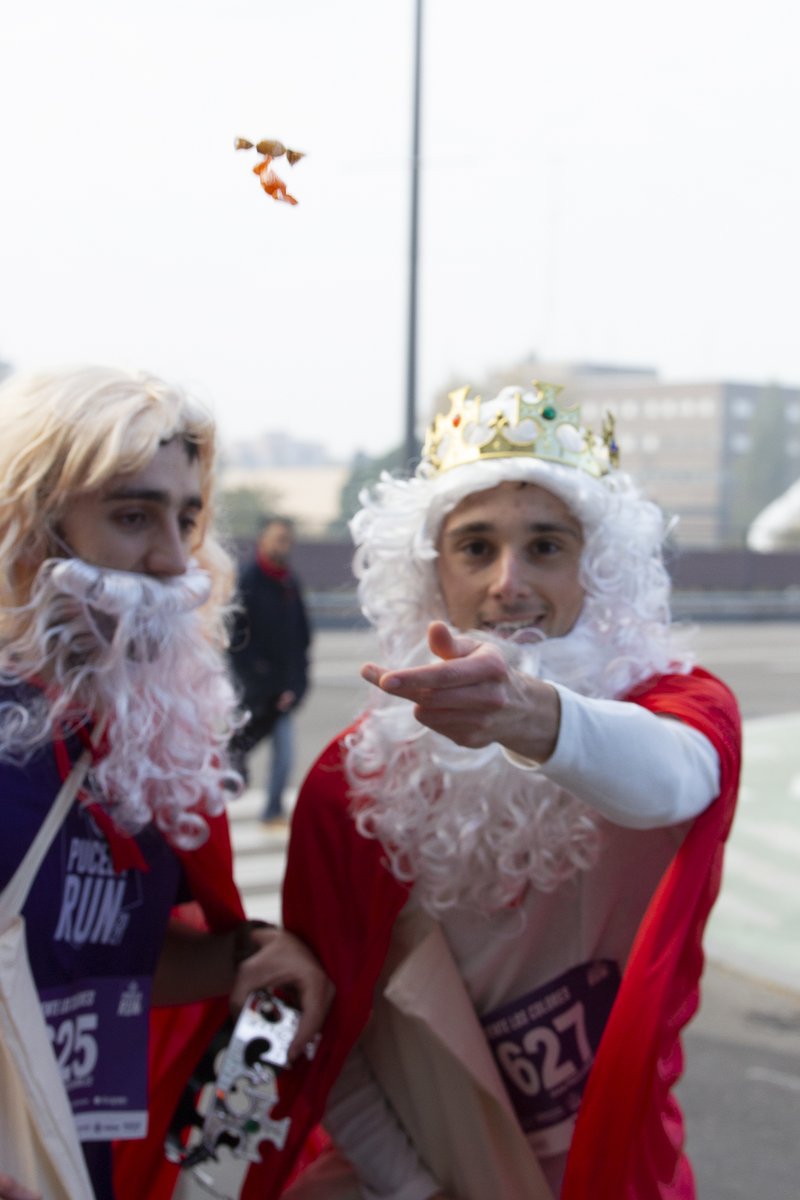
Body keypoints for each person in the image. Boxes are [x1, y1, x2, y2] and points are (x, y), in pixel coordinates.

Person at [255, 382, 741, 1200]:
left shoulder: (677, 705)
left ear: (598, 565)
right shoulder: (353, 780)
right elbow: (331, 1038)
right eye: (475, 547)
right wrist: (416, 1192)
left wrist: (535, 719)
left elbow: (677, 781)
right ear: (431, 573)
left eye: (546, 546)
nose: (509, 584)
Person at [0, 364, 333, 1200]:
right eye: (132, 515)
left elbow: (93, 961)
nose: (174, 559)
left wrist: (242, 956)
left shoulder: (137, 737)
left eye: (187, 517)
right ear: (32, 531)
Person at [229, 517, 312, 824]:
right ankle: (217, 804)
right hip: (253, 690)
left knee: (284, 754)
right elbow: (236, 641)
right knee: (239, 748)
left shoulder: (289, 583)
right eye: (277, 538)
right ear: (262, 541)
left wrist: (294, 685)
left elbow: (300, 639)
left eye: (287, 539)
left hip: (283, 692)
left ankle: (273, 810)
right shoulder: (247, 581)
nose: (283, 545)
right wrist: (262, 683)